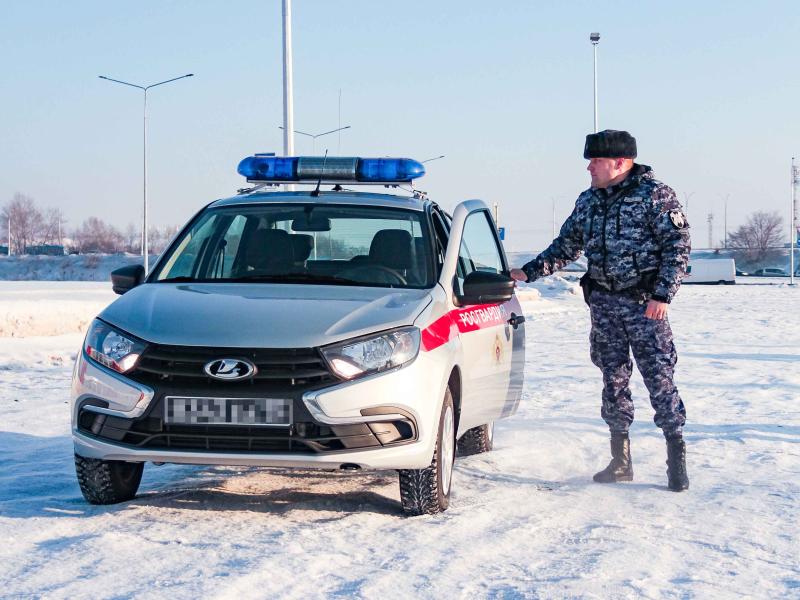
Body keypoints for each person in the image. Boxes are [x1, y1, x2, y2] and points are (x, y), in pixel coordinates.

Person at [510, 130, 691, 491]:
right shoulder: (589, 201)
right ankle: (620, 461)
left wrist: (663, 295)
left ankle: (676, 459)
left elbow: (679, 246)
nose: (590, 168)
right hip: (605, 305)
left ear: (620, 163)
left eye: (596, 161)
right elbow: (566, 246)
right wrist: (527, 272)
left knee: (659, 379)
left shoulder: (655, 195)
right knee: (613, 380)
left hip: (645, 307)